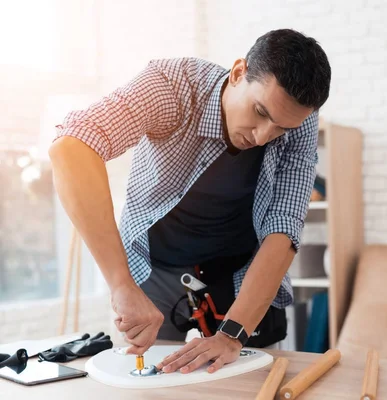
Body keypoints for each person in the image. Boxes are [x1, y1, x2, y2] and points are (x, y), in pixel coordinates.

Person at [48, 28, 331, 374]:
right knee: (150, 382)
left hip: (242, 271)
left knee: (248, 386)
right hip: (156, 267)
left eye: (281, 129)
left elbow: (283, 228)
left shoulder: (299, 124)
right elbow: (72, 146)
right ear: (239, 72)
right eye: (260, 111)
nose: (262, 137)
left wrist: (232, 335)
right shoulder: (171, 85)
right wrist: (121, 286)